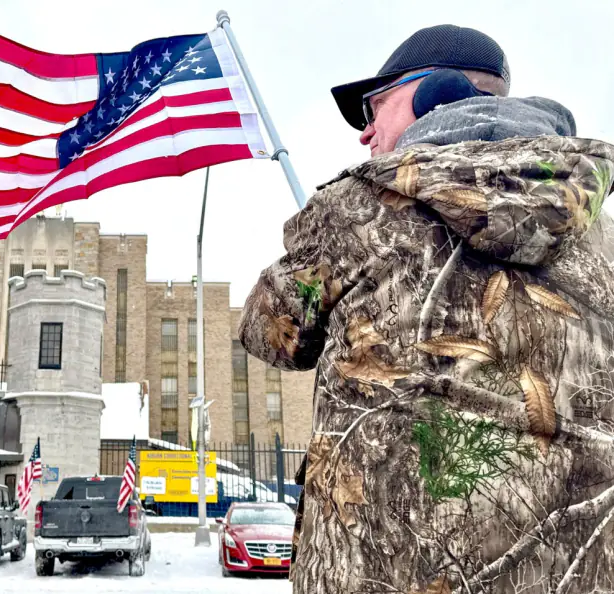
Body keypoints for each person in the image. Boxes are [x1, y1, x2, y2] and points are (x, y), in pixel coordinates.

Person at [239, 24, 614, 593]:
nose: (366, 135)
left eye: (374, 107)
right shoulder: (602, 239)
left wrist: (334, 237)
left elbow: (267, 332)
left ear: (431, 93)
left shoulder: (362, 206)